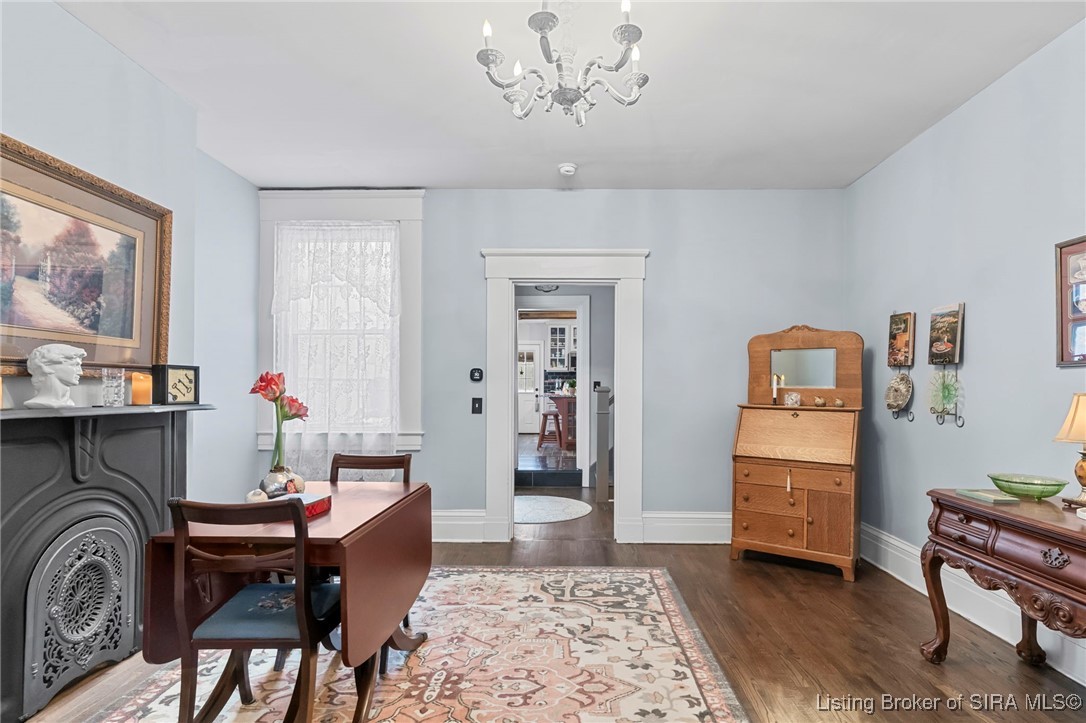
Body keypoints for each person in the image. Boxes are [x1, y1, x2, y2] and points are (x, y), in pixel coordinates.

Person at [25, 343, 86, 408]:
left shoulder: (69, 403)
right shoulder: (39, 403)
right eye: (74, 365)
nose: (80, 372)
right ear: (46, 367)